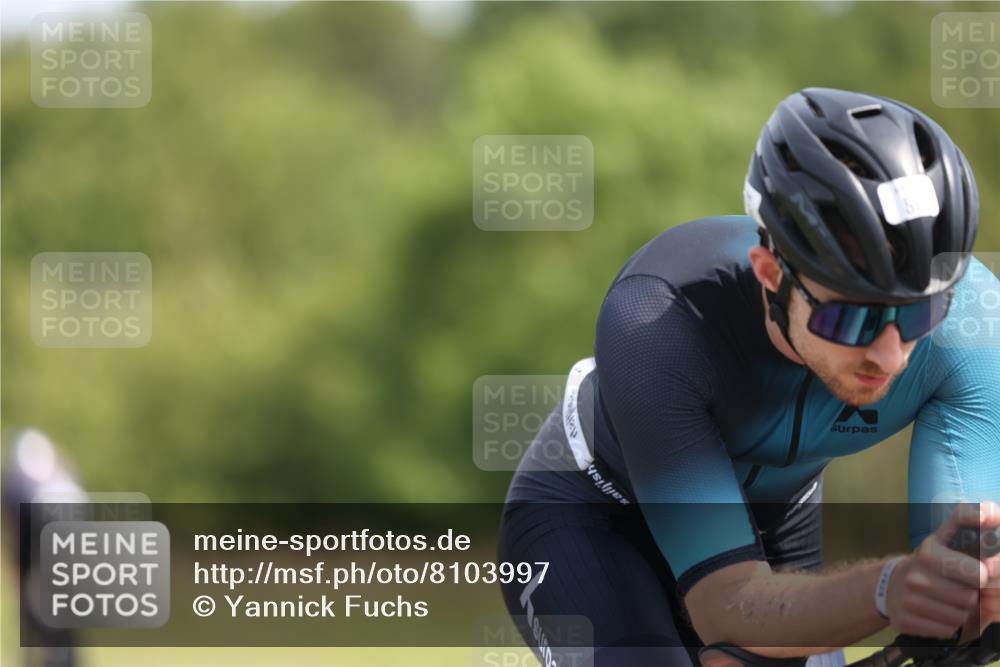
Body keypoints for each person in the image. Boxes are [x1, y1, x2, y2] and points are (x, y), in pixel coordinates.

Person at [498, 87, 1000, 667]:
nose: (890, 357)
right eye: (854, 317)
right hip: (591, 514)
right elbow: (727, 608)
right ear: (770, 274)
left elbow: (960, 569)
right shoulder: (656, 319)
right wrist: (890, 587)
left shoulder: (974, 327)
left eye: (920, 312)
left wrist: (968, 603)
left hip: (775, 520)